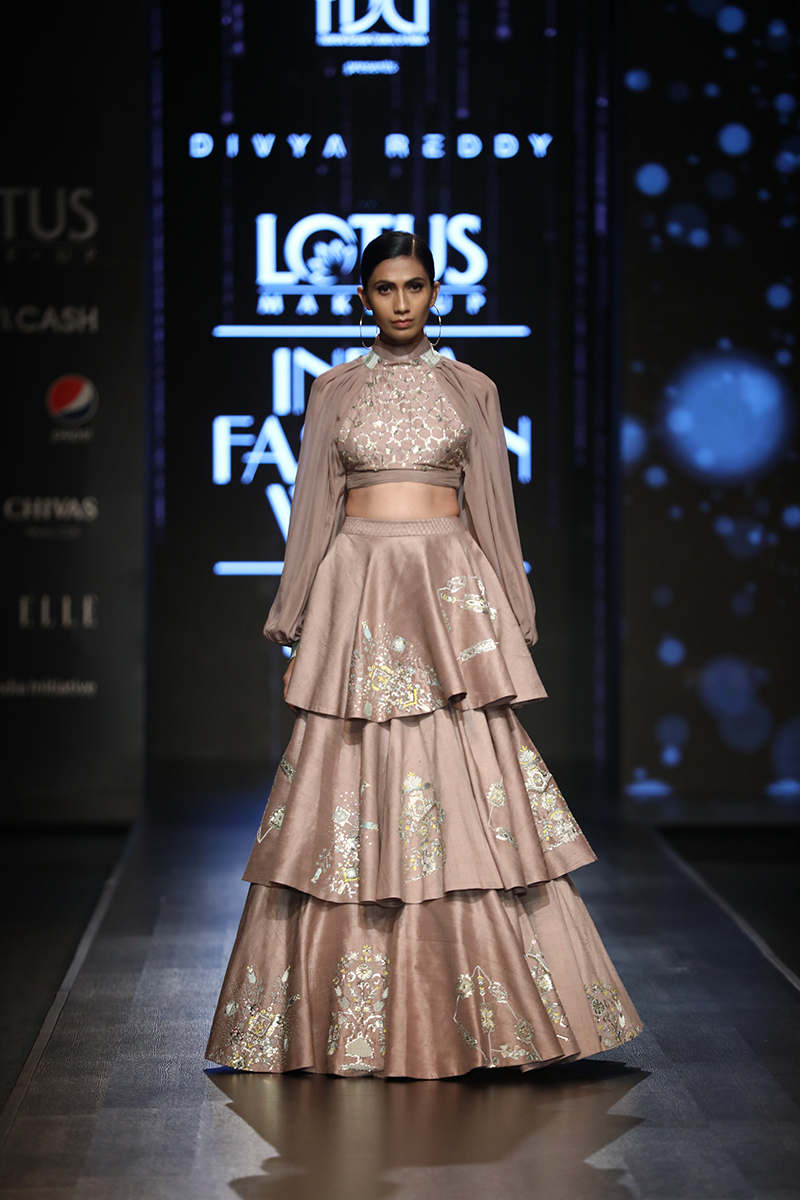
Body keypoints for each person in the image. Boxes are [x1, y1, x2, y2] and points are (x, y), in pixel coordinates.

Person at [205, 232, 641, 1078]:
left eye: (413, 286)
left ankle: (495, 1014)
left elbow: (493, 508)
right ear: (362, 298)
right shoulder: (332, 389)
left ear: (436, 293)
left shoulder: (472, 387)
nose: (400, 302)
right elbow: (312, 509)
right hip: (360, 580)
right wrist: (296, 613)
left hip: (446, 587)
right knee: (347, 770)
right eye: (384, 288)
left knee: (466, 772)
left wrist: (513, 611)